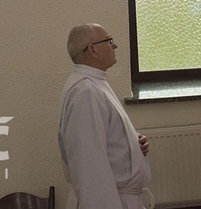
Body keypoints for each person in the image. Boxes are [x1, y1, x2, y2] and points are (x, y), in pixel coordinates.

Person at [58, 23, 152, 209]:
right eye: (109, 41)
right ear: (92, 49)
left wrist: (131, 143)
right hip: (110, 200)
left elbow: (104, 137)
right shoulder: (85, 91)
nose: (114, 46)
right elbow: (89, 166)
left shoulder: (95, 83)